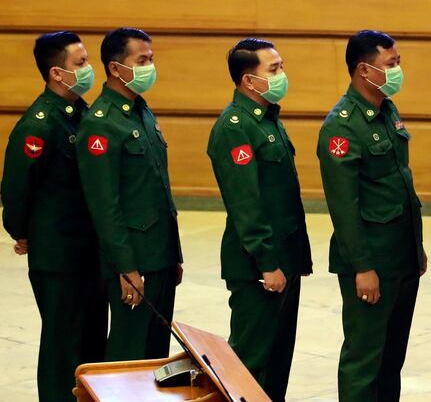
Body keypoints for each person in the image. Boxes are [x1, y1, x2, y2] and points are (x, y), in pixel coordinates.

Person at [316, 30, 427, 401]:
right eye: (391, 64)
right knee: (365, 358)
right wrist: (362, 267)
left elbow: (400, 186)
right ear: (365, 70)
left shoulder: (386, 110)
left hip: (400, 256)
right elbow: (344, 207)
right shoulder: (342, 127)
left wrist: (417, 247)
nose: (398, 70)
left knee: (391, 357)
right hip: (371, 260)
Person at [1, 31, 106, 401]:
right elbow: (16, 189)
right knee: (63, 348)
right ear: (56, 74)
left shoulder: (82, 115)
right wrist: (21, 230)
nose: (89, 69)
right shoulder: (39, 125)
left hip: (89, 251)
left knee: (93, 343)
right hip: (59, 255)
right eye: (80, 63)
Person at [207, 38, 313, 400]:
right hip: (258, 266)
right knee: (250, 364)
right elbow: (246, 204)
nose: (282, 75)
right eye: (274, 69)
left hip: (284, 259)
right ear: (249, 81)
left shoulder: (267, 120)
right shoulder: (235, 127)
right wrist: (267, 263)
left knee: (278, 360)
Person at [76, 27, 182, 361]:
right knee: (129, 352)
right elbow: (104, 205)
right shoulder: (101, 124)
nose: (150, 66)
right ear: (115, 68)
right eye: (142, 60)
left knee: (154, 355)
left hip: (159, 255)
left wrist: (174, 254)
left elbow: (159, 190)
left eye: (151, 59)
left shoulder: (141, 111)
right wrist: (126, 268)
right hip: (134, 260)